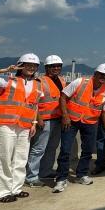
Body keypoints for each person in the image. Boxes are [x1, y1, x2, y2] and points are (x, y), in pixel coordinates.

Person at [0, 53, 42, 203]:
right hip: (6, 124)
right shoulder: (8, 80)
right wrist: (5, 69)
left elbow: (35, 105)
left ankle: (16, 188)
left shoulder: (37, 85)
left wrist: (33, 123)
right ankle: (1, 192)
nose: (31, 68)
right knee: (3, 158)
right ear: (20, 65)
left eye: (34, 66)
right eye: (27, 64)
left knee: (21, 158)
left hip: (25, 126)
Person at [53, 64, 105, 193]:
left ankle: (81, 174)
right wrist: (65, 116)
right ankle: (61, 178)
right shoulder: (80, 82)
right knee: (65, 150)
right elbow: (63, 97)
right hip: (71, 121)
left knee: (88, 151)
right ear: (95, 73)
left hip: (90, 123)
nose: (103, 77)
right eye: (101, 74)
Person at [26, 55, 66, 187]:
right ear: (47, 67)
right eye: (53, 66)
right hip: (45, 120)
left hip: (57, 119)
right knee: (38, 148)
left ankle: (45, 171)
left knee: (52, 147)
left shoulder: (61, 80)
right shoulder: (40, 81)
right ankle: (31, 177)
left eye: (58, 66)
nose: (56, 68)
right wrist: (39, 119)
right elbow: (34, 101)